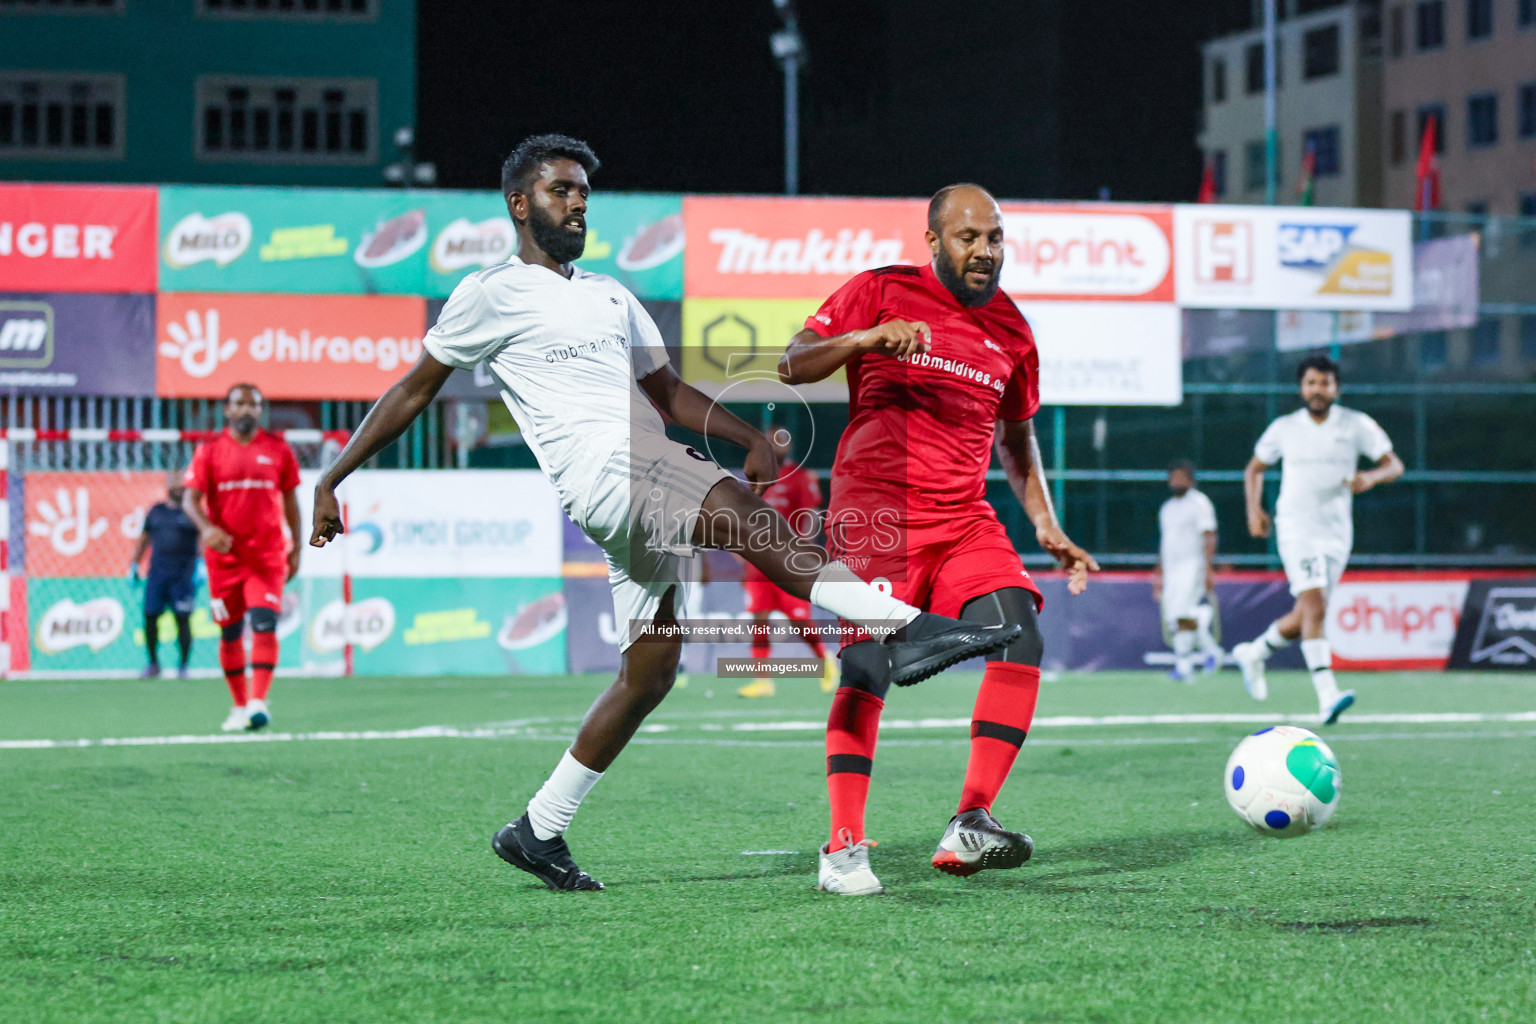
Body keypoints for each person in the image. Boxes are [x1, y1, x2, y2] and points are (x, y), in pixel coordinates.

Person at [307, 134, 1018, 892]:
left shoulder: (611, 294)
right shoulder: (490, 293)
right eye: (559, 190)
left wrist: (746, 434)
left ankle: (539, 828)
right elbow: (414, 388)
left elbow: (668, 392)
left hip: (636, 482)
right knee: (747, 520)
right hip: (606, 473)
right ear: (520, 204)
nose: (576, 202)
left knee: (650, 672)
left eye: (582, 191)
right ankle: (902, 627)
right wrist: (333, 476)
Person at [781, 182, 1099, 895]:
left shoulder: (1014, 330)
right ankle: (841, 849)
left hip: (962, 516)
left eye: (995, 238)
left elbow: (1016, 439)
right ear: (933, 242)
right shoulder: (879, 290)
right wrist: (862, 338)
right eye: (969, 238)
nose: (985, 251)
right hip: (879, 513)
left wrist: (1047, 525)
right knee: (869, 668)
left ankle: (971, 820)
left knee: (1021, 630)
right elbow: (791, 364)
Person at [1231, 354, 1403, 725]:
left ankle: (1255, 652)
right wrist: (1253, 510)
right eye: (1311, 383)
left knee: (1305, 614)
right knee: (1316, 609)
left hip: (1337, 533)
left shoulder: (1356, 425)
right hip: (1296, 528)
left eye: (1324, 383)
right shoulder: (1285, 428)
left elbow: (1394, 464)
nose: (1317, 390)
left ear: (1335, 388)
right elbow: (1254, 469)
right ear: (1301, 388)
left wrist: (1370, 478)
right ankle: (1327, 697)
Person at [182, 384, 302, 734]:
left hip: (266, 556)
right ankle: (238, 706)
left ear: (260, 410)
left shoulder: (278, 450)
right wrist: (206, 529)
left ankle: (257, 702)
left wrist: (297, 545)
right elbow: (190, 501)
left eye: (254, 404)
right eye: (240, 404)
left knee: (265, 622)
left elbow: (291, 500)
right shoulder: (209, 451)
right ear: (227, 411)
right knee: (230, 631)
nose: (247, 409)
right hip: (225, 560)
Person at [737, 425, 838, 699]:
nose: (776, 445)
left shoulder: (800, 476)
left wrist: (803, 549)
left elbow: (811, 515)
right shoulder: (757, 475)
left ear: (789, 446)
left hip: (787, 559)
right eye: (771, 440)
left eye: (782, 440)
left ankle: (824, 659)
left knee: (799, 619)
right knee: (758, 617)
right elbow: (744, 514)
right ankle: (762, 680)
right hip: (758, 560)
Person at [129, 472, 201, 679]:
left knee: (183, 619)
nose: (178, 488)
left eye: (182, 485)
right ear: (167, 485)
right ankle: (153, 664)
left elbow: (203, 538)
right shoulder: (156, 511)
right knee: (150, 617)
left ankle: (183, 666)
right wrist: (133, 565)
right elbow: (143, 539)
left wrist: (202, 565)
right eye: (175, 484)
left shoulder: (192, 511)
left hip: (183, 575)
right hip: (158, 574)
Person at [1154, 459, 1221, 681]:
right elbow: (1164, 545)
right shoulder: (1167, 508)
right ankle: (1211, 651)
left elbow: (1209, 536)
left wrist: (1208, 569)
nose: (1176, 481)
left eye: (1181, 476)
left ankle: (1184, 667)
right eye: (1173, 477)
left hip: (1192, 566)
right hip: (1172, 570)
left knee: (1182, 614)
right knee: (1177, 616)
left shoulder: (1200, 503)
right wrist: (1159, 576)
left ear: (1190, 480)